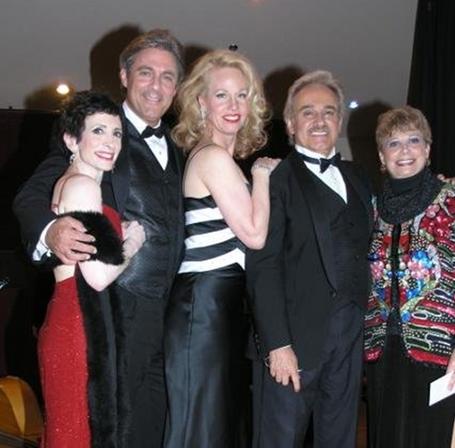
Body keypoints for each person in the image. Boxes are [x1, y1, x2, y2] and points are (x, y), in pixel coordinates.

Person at [13, 29, 185, 447]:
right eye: (146, 72)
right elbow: (31, 196)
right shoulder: (92, 130)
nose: (156, 84)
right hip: (111, 312)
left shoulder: (181, 146)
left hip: (169, 317)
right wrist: (52, 230)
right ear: (124, 76)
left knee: (154, 429)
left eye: (167, 76)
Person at [247, 70, 373, 448]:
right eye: (307, 112)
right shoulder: (276, 179)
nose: (319, 120)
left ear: (340, 120)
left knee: (340, 439)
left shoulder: (359, 177)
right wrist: (277, 344)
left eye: (328, 112)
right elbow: (263, 265)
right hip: (293, 342)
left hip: (349, 336)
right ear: (290, 123)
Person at [163, 49, 279, 448]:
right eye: (222, 95)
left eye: (242, 95)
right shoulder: (213, 157)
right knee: (202, 426)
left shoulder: (219, 160)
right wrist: (262, 176)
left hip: (218, 304)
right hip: (205, 303)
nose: (234, 106)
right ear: (201, 102)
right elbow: (255, 235)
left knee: (214, 425)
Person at [38, 90, 145, 447]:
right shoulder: (83, 186)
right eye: (98, 131)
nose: (110, 142)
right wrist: (133, 242)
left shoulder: (71, 183)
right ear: (72, 139)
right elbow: (97, 277)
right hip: (80, 326)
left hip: (71, 319)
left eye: (116, 133)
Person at [364, 106, 455, 448]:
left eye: (414, 140)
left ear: (428, 149)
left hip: (439, 350)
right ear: (381, 155)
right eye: (393, 143)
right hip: (381, 352)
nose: (404, 150)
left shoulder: (451, 201)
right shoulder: (371, 209)